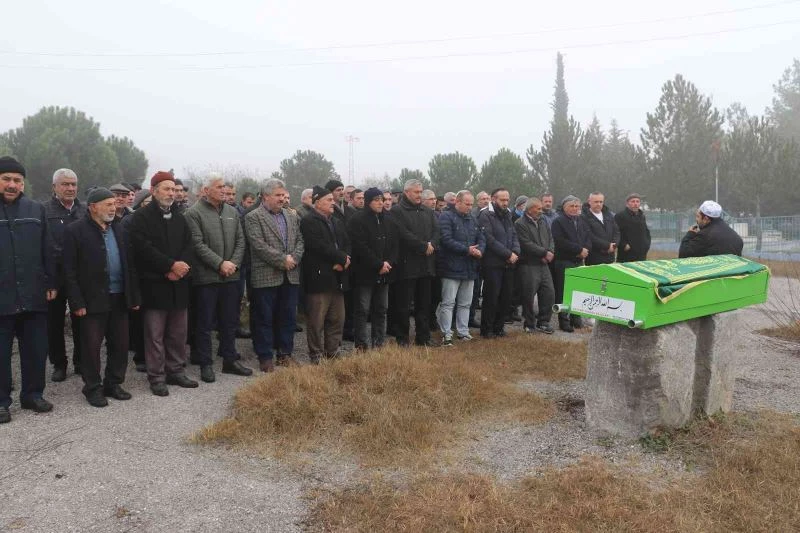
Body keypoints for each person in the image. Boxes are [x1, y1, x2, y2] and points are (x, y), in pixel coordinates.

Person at [63, 187, 140, 407]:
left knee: (120, 344)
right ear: (93, 207)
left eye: (114, 204)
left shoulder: (120, 229)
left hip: (119, 297)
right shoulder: (75, 230)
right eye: (108, 204)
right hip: (91, 300)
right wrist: (76, 302)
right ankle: (93, 388)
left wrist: (133, 297)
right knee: (91, 346)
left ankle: (113, 383)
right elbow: (69, 271)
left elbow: (130, 265)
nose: (113, 208)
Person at [128, 172, 198, 396]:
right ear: (154, 191)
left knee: (178, 333)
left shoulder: (179, 216)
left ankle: (175, 370)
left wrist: (182, 267)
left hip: (179, 284)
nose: (171, 193)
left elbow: (189, 244)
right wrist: (169, 267)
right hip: (155, 284)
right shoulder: (141, 217)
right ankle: (157, 376)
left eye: (173, 189)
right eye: (166, 189)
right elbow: (142, 248)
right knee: (155, 335)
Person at [0, 157, 56, 423]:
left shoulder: (36, 209)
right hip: (2, 296)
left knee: (35, 349)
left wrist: (51, 282)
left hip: (34, 295)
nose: (12, 185)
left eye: (17, 180)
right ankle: (1, 402)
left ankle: (33, 395)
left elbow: (48, 249)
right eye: (6, 179)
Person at [184, 174, 253, 383]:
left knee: (230, 321)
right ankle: (206, 363)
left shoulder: (232, 212)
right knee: (205, 323)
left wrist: (232, 263)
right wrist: (219, 264)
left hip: (231, 276)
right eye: (219, 187)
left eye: (225, 186)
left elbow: (241, 241)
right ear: (206, 190)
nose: (224, 190)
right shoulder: (193, 213)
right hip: (207, 278)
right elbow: (197, 244)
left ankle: (229, 360)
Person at [245, 178, 304, 372]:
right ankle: (265, 356)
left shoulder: (291, 215)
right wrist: (282, 260)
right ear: (266, 196)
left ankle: (285, 354)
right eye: (277, 195)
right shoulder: (254, 217)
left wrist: (293, 258)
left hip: (290, 274)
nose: (282, 199)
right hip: (266, 275)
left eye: (282, 195)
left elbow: (300, 241)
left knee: (287, 316)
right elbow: (258, 244)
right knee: (264, 317)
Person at [300, 186, 351, 363]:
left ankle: (333, 351)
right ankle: (316, 354)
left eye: (332, 200)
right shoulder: (308, 221)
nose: (333, 202)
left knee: (337, 318)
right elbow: (318, 246)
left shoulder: (336, 221)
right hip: (319, 277)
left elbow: (346, 242)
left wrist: (345, 258)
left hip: (338, 277)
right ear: (317, 202)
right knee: (316, 320)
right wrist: (340, 258)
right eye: (328, 200)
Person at [44, 168, 85, 382]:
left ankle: (81, 361)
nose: (70, 188)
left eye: (73, 184)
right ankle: (59, 364)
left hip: (79, 276)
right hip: (55, 276)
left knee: (81, 319)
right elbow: (45, 245)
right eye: (65, 184)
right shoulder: (44, 211)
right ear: (54, 187)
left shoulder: (84, 210)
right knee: (54, 322)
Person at [347, 187, 398, 351]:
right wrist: (378, 264)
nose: (380, 203)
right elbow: (360, 247)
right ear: (368, 202)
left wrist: (388, 262)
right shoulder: (357, 220)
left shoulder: (388, 219)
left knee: (381, 309)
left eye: (382, 200)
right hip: (365, 273)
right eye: (376, 200)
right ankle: (361, 345)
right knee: (362, 310)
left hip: (385, 273)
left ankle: (379, 343)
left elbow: (395, 245)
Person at [391, 179, 439, 347]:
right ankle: (402, 338)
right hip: (407, 265)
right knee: (403, 305)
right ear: (407, 193)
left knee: (424, 304)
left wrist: (432, 244)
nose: (419, 195)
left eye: (421, 192)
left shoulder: (427, 211)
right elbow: (402, 233)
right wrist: (423, 246)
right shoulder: (397, 211)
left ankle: (423, 337)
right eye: (416, 192)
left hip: (426, 265)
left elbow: (436, 231)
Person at [436, 190, 485, 345]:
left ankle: (463, 332)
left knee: (465, 303)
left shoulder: (473, 219)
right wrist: (467, 249)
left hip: (470, 267)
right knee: (448, 302)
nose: (470, 207)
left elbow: (482, 237)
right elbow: (446, 240)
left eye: (471, 204)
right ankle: (446, 333)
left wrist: (480, 251)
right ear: (457, 202)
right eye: (467, 204)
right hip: (451, 267)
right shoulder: (446, 216)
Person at [478, 188, 520, 338]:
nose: (505, 203)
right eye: (502, 200)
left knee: (506, 297)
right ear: (493, 199)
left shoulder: (508, 214)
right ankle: (487, 329)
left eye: (507, 200)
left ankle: (499, 327)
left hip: (509, 263)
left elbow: (514, 234)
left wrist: (515, 251)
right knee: (491, 297)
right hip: (493, 263)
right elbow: (489, 239)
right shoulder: (485, 214)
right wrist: (508, 254)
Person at [515, 197, 556, 334]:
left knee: (549, 292)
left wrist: (550, 251)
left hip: (544, 264)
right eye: (538, 208)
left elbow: (550, 238)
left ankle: (544, 322)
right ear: (530, 209)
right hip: (529, 264)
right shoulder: (520, 223)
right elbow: (525, 243)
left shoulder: (543, 221)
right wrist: (544, 253)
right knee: (528, 295)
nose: (541, 210)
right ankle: (529, 323)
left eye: (541, 208)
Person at [551, 195, 592, 333]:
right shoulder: (558, 222)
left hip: (579, 261)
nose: (575, 209)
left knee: (578, 290)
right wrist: (579, 250)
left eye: (577, 206)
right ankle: (564, 320)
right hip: (564, 261)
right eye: (572, 206)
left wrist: (585, 249)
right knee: (563, 292)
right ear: (564, 207)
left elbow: (587, 237)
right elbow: (560, 241)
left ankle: (576, 318)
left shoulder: (581, 221)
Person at [679, 200, 744, 258]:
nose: (696, 219)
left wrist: (690, 234)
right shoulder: (736, 237)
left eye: (698, 216)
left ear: (706, 219)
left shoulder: (705, 235)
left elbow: (683, 254)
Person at [581, 192, 620, 266]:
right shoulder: (584, 217)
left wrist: (614, 245)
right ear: (589, 202)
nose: (598, 204)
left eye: (600, 202)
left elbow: (616, 231)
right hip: (594, 258)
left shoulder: (608, 215)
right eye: (596, 202)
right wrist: (607, 245)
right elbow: (589, 236)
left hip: (610, 257)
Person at [615, 193, 651, 262]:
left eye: (637, 201)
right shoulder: (620, 216)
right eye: (633, 201)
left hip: (641, 255)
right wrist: (623, 245)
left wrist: (647, 245)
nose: (635, 203)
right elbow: (616, 232)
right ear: (627, 203)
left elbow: (646, 232)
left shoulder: (642, 216)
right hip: (626, 255)